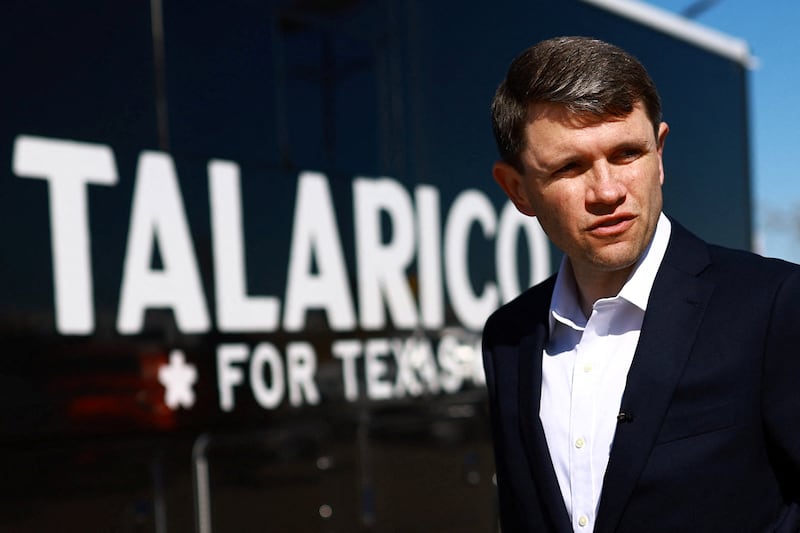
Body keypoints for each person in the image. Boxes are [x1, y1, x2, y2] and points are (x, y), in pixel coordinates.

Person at [482, 36, 800, 533]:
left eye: (627, 153)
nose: (607, 191)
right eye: (570, 166)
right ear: (518, 189)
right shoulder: (508, 335)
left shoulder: (773, 304)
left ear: (660, 153)